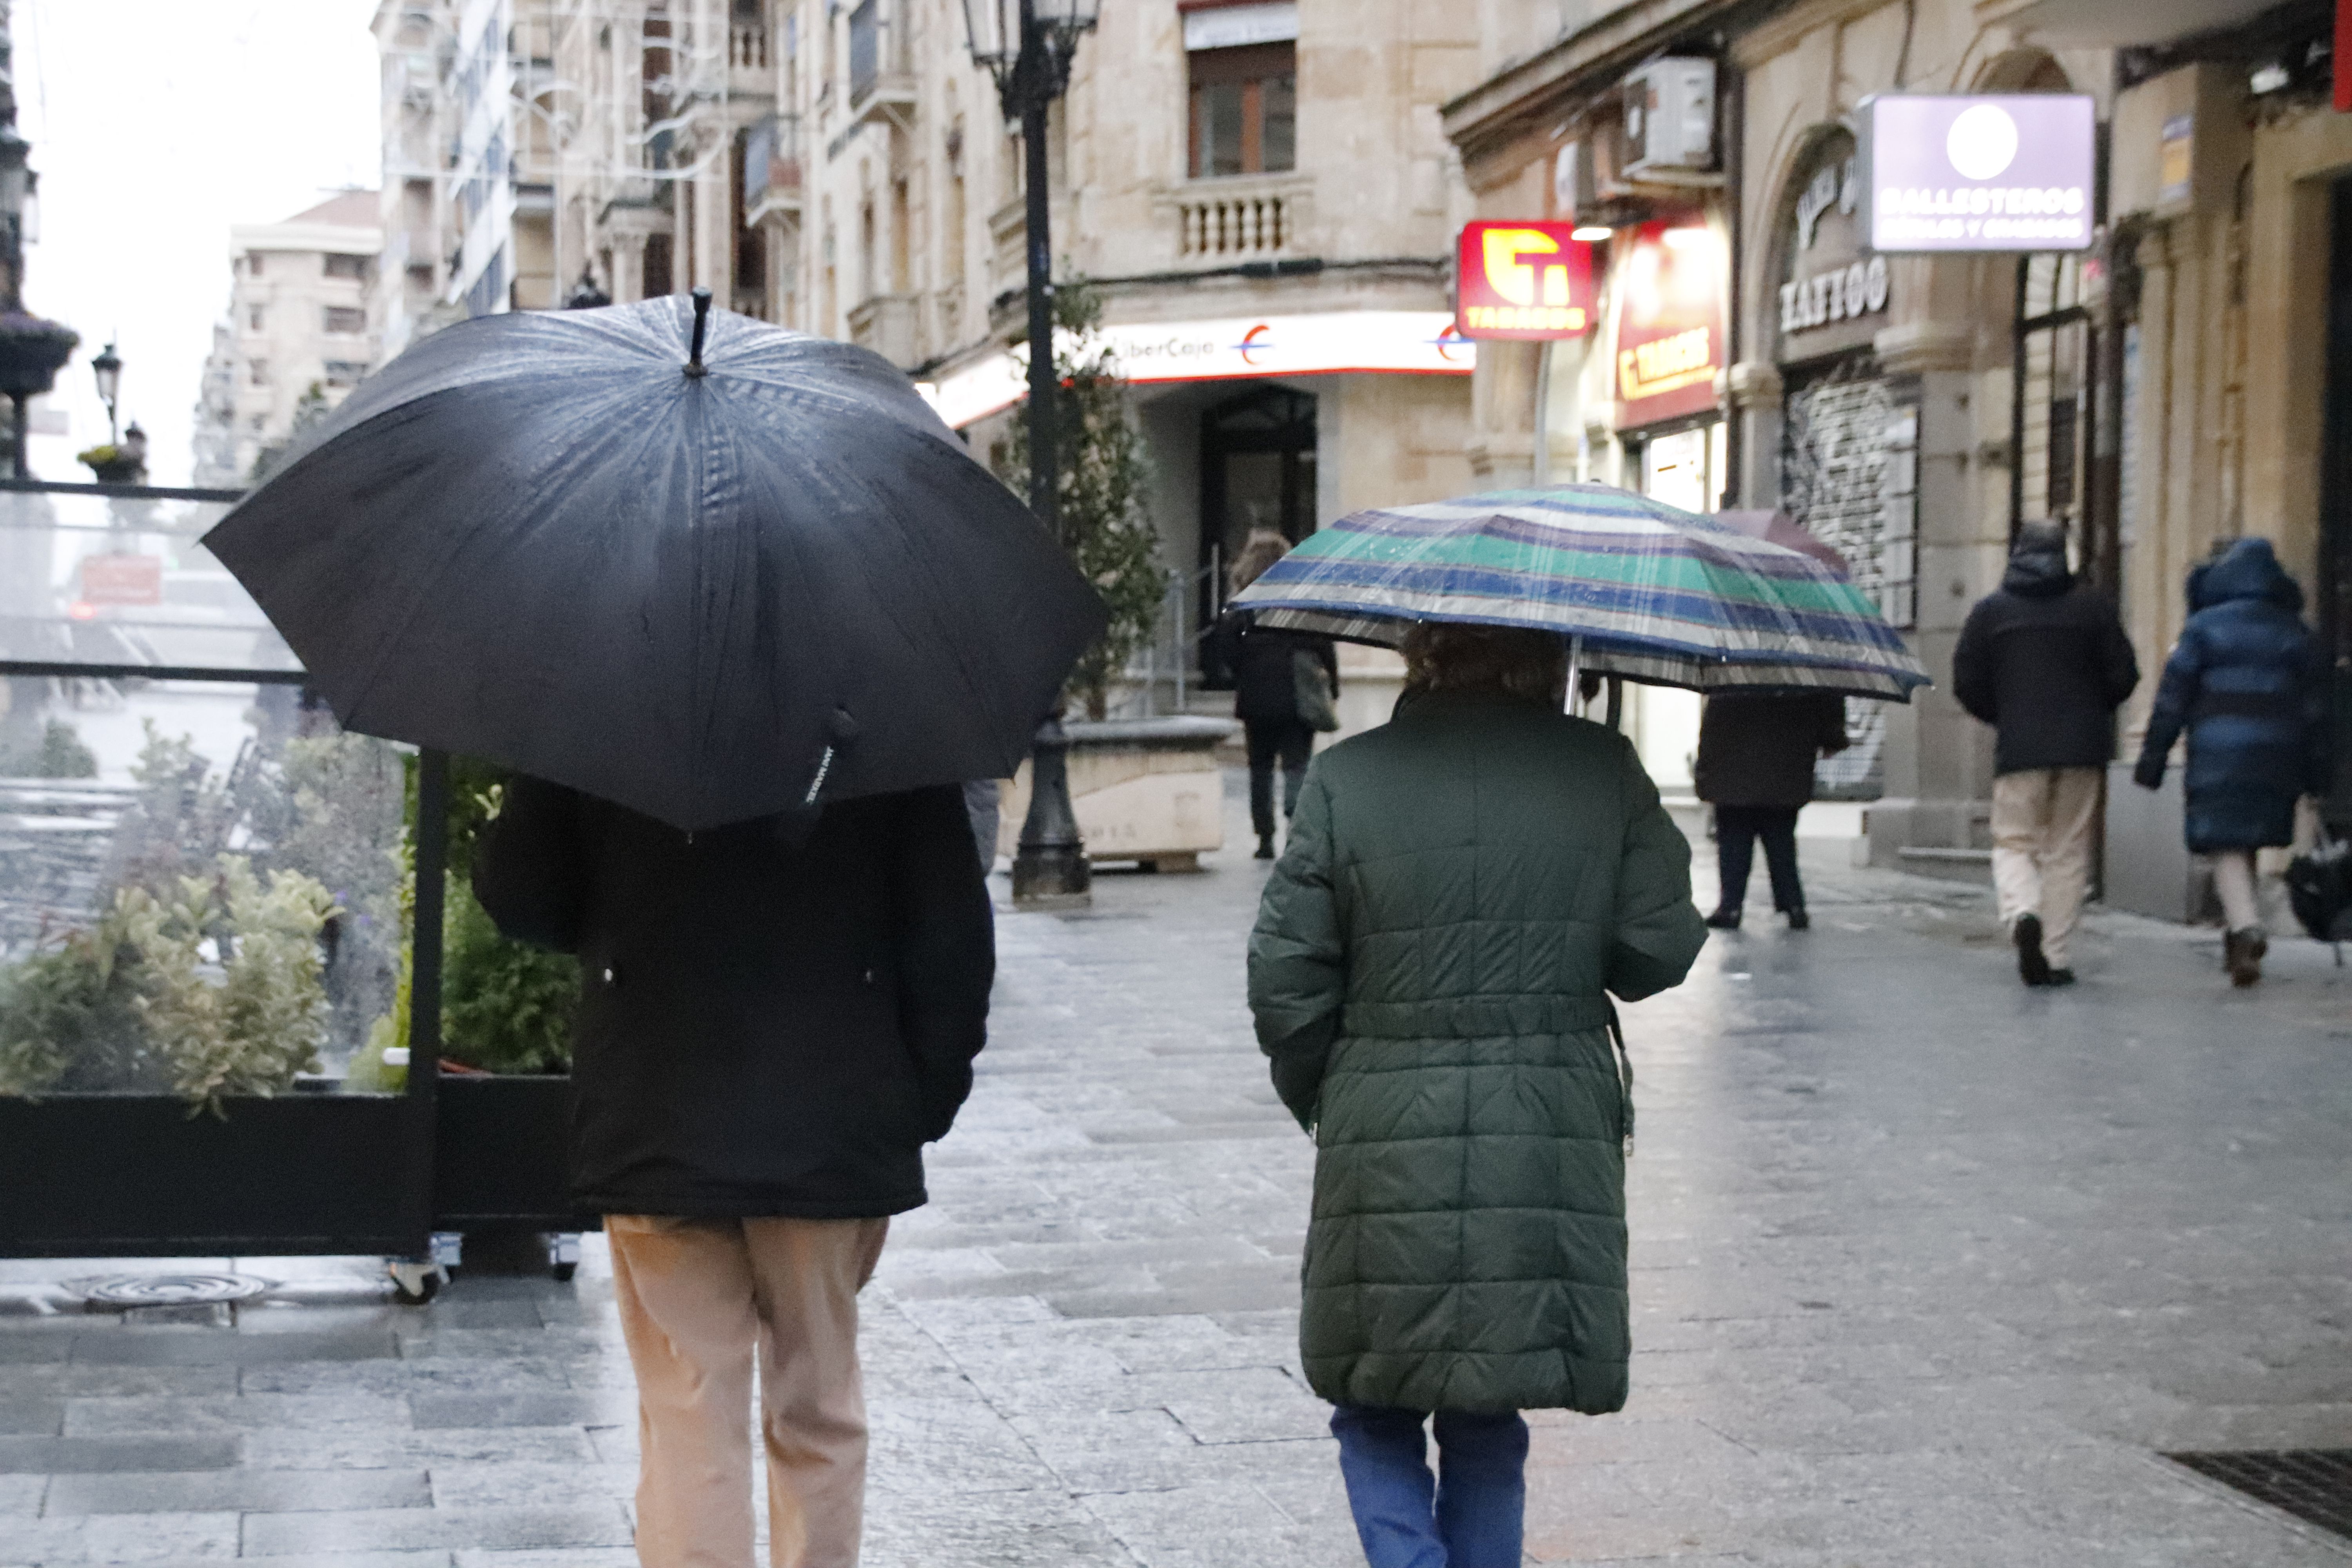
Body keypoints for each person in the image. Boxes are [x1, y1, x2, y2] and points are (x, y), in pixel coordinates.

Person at [1247, 622, 1707, 1568]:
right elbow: (1658, 948)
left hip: (1382, 1108)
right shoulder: (1603, 766)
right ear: (1551, 659)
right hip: (1544, 1121)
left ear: (1424, 653)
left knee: (1372, 1400)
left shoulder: (1348, 776)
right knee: (1488, 1408)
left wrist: (1328, 1096)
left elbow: (1285, 975)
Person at [474, 777, 993, 1568]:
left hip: (656, 1110)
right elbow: (951, 938)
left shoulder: (612, 699)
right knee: (819, 1405)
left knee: (689, 1413)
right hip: (832, 1117)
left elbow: (527, 900)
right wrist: (919, 1099)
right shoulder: (883, 715)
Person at [2132, 536, 2330, 987]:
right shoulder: (2295, 631)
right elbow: (2319, 711)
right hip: (2279, 754)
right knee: (2251, 835)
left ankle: (2244, 926)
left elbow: (2171, 700)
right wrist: (2319, 774)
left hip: (2218, 752)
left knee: (2226, 841)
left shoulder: (2203, 628)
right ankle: (2240, 929)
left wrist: (2154, 759)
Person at [1952, 523, 2139, 987]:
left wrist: (2005, 715)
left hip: (2020, 748)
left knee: (2014, 842)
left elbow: (1966, 682)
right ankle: (2055, 955)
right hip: (2083, 749)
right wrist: (2095, 709)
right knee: (2067, 849)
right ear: (2065, 557)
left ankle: (2022, 913)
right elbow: (2124, 674)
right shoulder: (2094, 608)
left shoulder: (1991, 612)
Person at [1215, 528, 1339, 859]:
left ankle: (1264, 838)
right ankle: (1294, 833)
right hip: (1298, 695)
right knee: (1297, 766)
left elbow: (1226, 646)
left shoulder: (1244, 606)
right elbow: (1324, 645)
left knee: (1260, 768)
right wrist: (1333, 687)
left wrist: (1244, 671)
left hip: (1256, 697)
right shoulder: (1301, 602)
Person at [1691, 690, 1849, 931]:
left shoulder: (1733, 669)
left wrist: (1704, 775)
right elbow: (1828, 700)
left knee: (1734, 845)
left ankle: (1731, 908)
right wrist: (1833, 739)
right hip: (1786, 770)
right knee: (1781, 844)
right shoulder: (1799, 674)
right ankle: (1794, 906)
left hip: (1734, 772)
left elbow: (1713, 727)